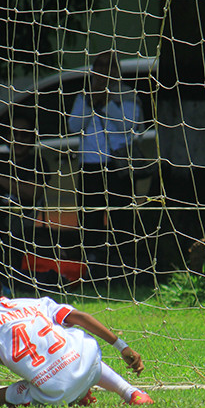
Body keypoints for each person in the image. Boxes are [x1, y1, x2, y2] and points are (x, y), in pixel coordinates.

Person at [0, 259, 153, 408]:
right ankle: (132, 393)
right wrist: (122, 346)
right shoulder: (35, 303)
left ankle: (75, 396)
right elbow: (80, 317)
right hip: (88, 363)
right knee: (79, 350)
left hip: (56, 391)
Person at [68, 51, 144, 276]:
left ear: (118, 70)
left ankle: (126, 266)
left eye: (109, 67)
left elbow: (128, 125)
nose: (103, 72)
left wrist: (108, 100)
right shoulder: (84, 96)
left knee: (121, 217)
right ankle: (94, 267)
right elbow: (74, 126)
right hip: (90, 165)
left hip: (117, 165)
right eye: (99, 67)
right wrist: (92, 99)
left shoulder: (128, 95)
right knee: (90, 218)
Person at [0, 114, 53, 280]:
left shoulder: (38, 162)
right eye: (14, 134)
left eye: (24, 135)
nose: (19, 139)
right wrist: (17, 186)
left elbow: (32, 193)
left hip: (20, 216)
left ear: (32, 138)